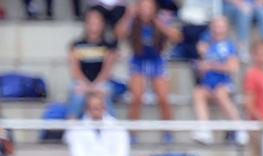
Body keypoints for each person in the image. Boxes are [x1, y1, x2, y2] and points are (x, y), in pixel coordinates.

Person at [116, 0, 182, 142]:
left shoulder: (162, 20)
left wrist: (160, 25)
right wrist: (128, 16)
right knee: (137, 97)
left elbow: (177, 37)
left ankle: (168, 132)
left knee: (164, 98)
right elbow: (119, 33)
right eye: (143, 7)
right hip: (138, 62)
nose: (146, 10)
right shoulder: (133, 21)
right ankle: (133, 134)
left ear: (154, 9)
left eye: (149, 7)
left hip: (157, 61)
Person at [191, 16, 249, 146]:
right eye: (216, 26)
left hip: (224, 84)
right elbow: (201, 70)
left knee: (220, 93)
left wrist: (212, 65)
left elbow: (233, 68)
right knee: (198, 93)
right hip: (208, 84)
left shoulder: (229, 46)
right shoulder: (206, 46)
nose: (218, 29)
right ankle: (205, 129)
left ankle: (240, 128)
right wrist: (202, 66)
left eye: (221, 26)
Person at [68, 7, 119, 118]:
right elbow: (75, 69)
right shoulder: (76, 45)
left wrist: (95, 86)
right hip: (81, 82)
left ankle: (112, 126)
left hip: (101, 82)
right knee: (78, 94)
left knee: (104, 93)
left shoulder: (109, 46)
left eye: (97, 21)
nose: (94, 24)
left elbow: (107, 70)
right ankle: (71, 126)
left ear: (103, 24)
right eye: (91, 21)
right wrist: (87, 85)